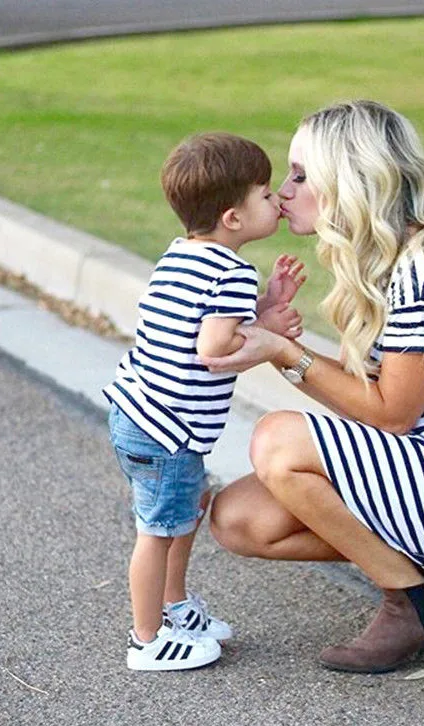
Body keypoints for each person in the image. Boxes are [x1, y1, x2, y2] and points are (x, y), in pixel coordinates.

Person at [201, 101, 424, 674]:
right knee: (238, 518)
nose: (284, 190)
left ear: (348, 180)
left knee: (277, 440)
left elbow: (391, 414)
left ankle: (410, 600)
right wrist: (275, 346)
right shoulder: (392, 258)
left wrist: (283, 352)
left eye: (299, 174)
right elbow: (386, 403)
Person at [104, 133, 305, 671]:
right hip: (165, 430)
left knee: (183, 514)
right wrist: (268, 327)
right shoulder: (234, 271)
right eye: (265, 194)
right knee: (157, 530)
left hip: (140, 414)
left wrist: (267, 306)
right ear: (233, 218)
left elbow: (208, 322)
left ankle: (174, 609)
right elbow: (216, 349)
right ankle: (146, 640)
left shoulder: (185, 254)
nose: (277, 201)